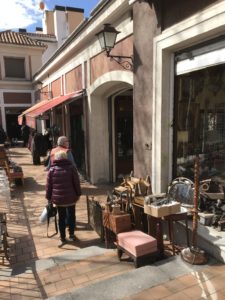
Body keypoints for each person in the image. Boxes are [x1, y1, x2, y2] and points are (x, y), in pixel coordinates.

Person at [45, 150, 81, 245]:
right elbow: (76, 183)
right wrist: (78, 194)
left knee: (61, 217)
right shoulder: (72, 168)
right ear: (66, 157)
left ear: (56, 158)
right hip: (71, 198)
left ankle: (62, 237)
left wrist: (48, 197)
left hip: (59, 200)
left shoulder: (51, 170)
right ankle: (72, 235)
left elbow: (49, 186)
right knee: (71, 216)